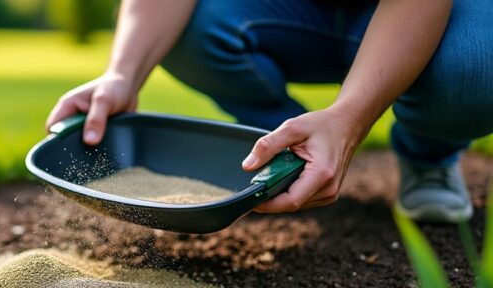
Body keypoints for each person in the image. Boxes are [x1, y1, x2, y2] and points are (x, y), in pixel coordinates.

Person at [45, 0, 493, 223]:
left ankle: (429, 156)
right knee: (196, 27)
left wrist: (349, 120)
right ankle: (286, 157)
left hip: (427, 16)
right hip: (291, 12)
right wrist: (122, 73)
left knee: (477, 66)